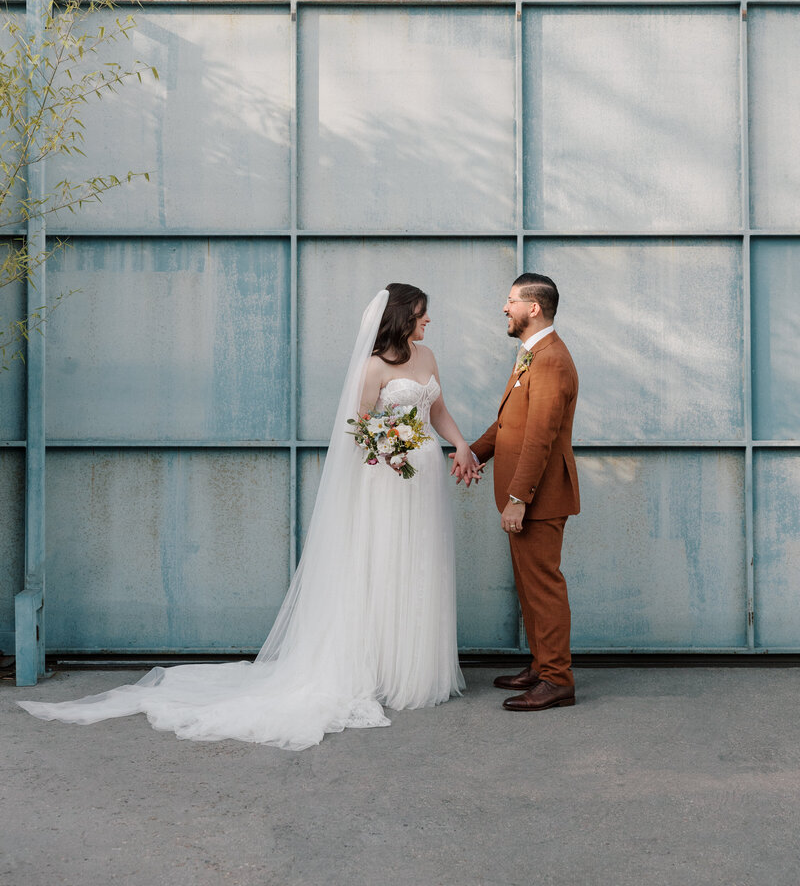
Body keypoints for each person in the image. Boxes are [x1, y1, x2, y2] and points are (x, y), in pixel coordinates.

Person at [19, 285, 469, 749]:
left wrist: (462, 445)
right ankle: (380, 669)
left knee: (418, 566)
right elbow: (358, 429)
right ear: (401, 316)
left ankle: (411, 669)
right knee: (382, 566)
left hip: (425, 479)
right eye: (421, 313)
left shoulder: (427, 356)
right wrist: (389, 450)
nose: (428, 320)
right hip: (387, 483)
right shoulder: (373, 367)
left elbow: (436, 410)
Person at [451, 273, 580, 711]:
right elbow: (509, 424)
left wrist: (518, 498)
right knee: (528, 586)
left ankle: (558, 680)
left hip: (539, 498)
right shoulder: (532, 354)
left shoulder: (551, 360)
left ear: (533, 308)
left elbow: (540, 437)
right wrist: (472, 452)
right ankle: (543, 665)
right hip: (527, 496)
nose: (505, 308)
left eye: (510, 301)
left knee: (543, 587)